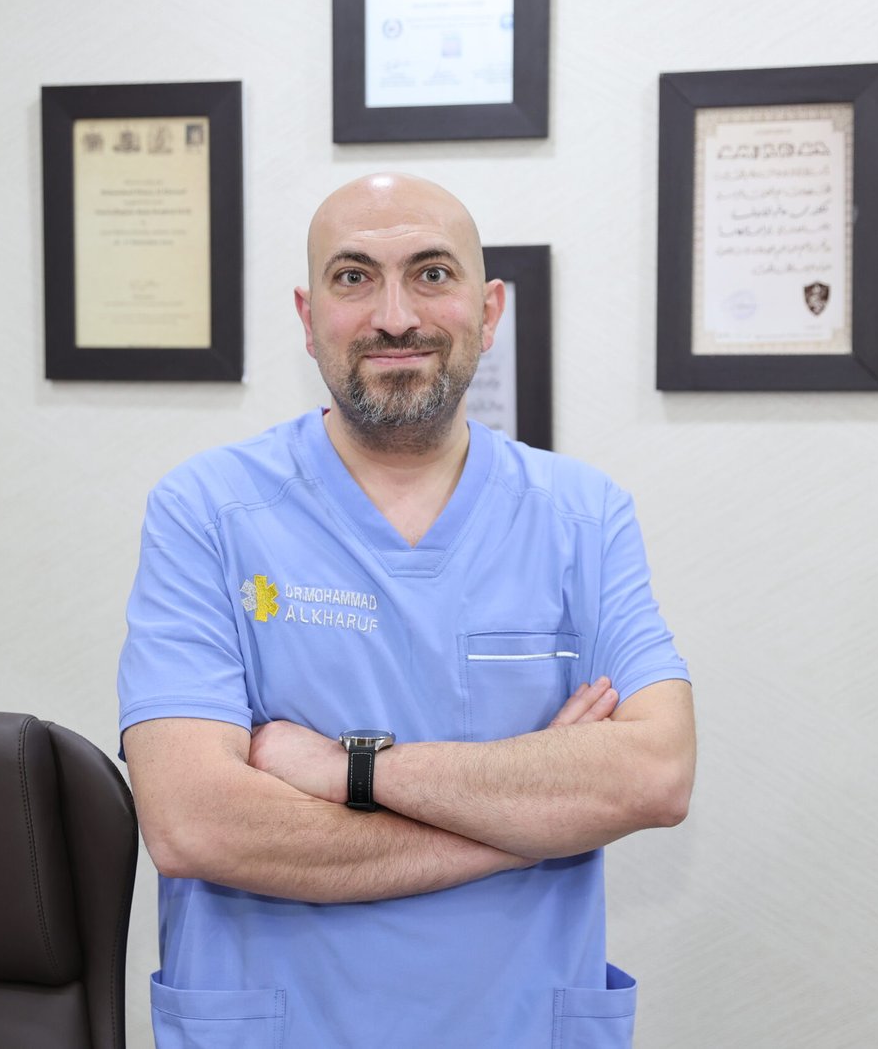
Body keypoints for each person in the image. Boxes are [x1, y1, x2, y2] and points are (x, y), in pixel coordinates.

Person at [117, 172, 695, 1048]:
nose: (395, 317)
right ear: (308, 317)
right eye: (354, 277)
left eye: (432, 273)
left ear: (489, 310)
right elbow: (194, 822)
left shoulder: (583, 515)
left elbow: (655, 774)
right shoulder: (206, 510)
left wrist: (349, 770)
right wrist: (534, 820)